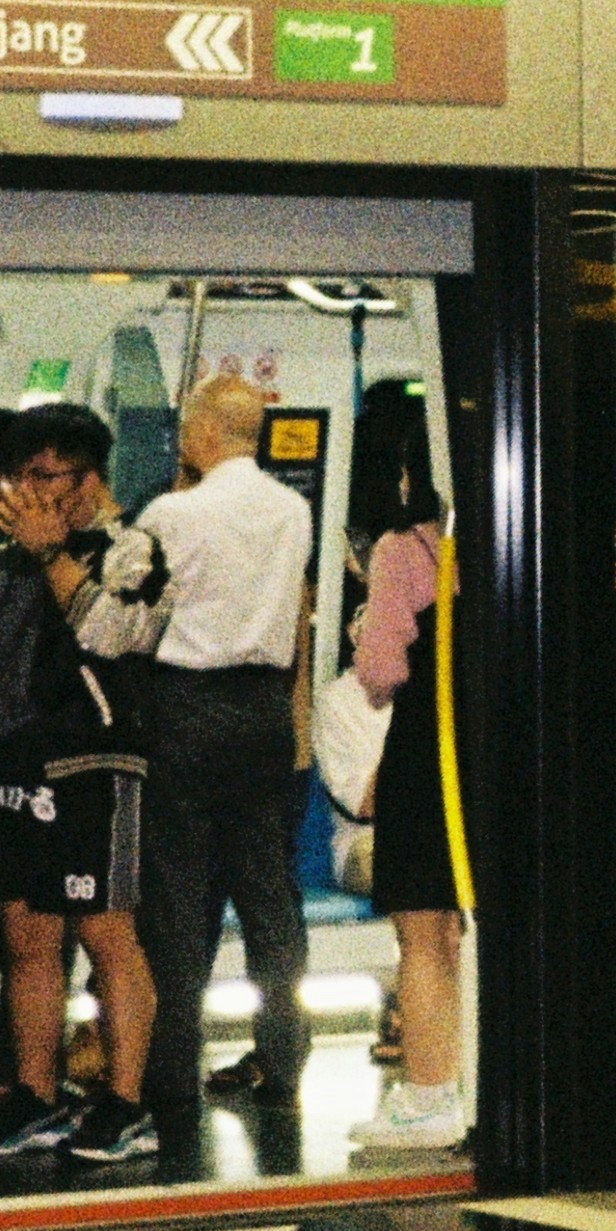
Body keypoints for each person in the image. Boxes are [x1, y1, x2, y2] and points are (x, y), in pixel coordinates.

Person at [0, 405, 171, 1167]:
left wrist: (51, 556)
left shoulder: (133, 548)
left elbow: (116, 636)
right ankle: (35, 1092)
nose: (33, 494)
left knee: (106, 932)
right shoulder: (0, 563)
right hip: (9, 768)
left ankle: (127, 1101)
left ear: (88, 478)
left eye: (48, 476)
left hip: (93, 763)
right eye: (22, 478)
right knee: (26, 937)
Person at [134, 373, 321, 1118]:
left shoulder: (170, 512)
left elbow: (140, 607)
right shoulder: (294, 510)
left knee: (177, 895)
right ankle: (284, 1054)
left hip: (184, 705)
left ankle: (171, 1069)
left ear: (204, 432)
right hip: (264, 710)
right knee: (269, 892)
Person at [342, 379, 472, 1158]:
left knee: (422, 932)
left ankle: (428, 1095)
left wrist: (369, 625)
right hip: (496, 751)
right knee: (467, 931)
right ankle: (472, 1083)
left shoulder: (405, 550)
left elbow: (379, 672)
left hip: (429, 753)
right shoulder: (513, 542)